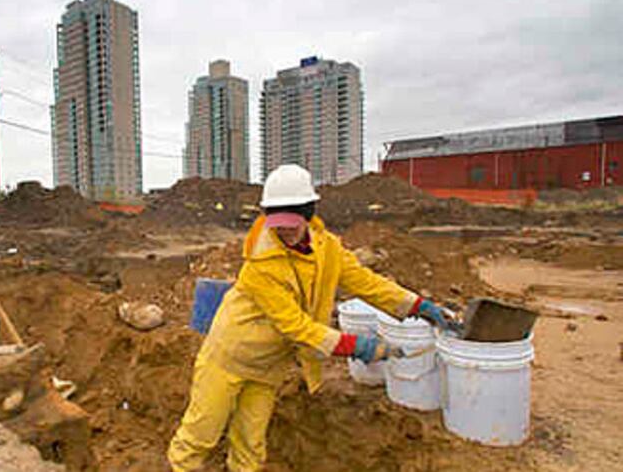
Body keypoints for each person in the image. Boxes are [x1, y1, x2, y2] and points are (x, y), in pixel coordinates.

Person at [167, 164, 456, 472]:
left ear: (308, 215)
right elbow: (295, 326)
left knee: (250, 443)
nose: (284, 231)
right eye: (277, 224)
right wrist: (358, 346)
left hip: (267, 366)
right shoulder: (259, 265)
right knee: (201, 433)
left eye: (292, 223)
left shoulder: (327, 248)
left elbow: (366, 282)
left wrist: (416, 305)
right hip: (227, 358)